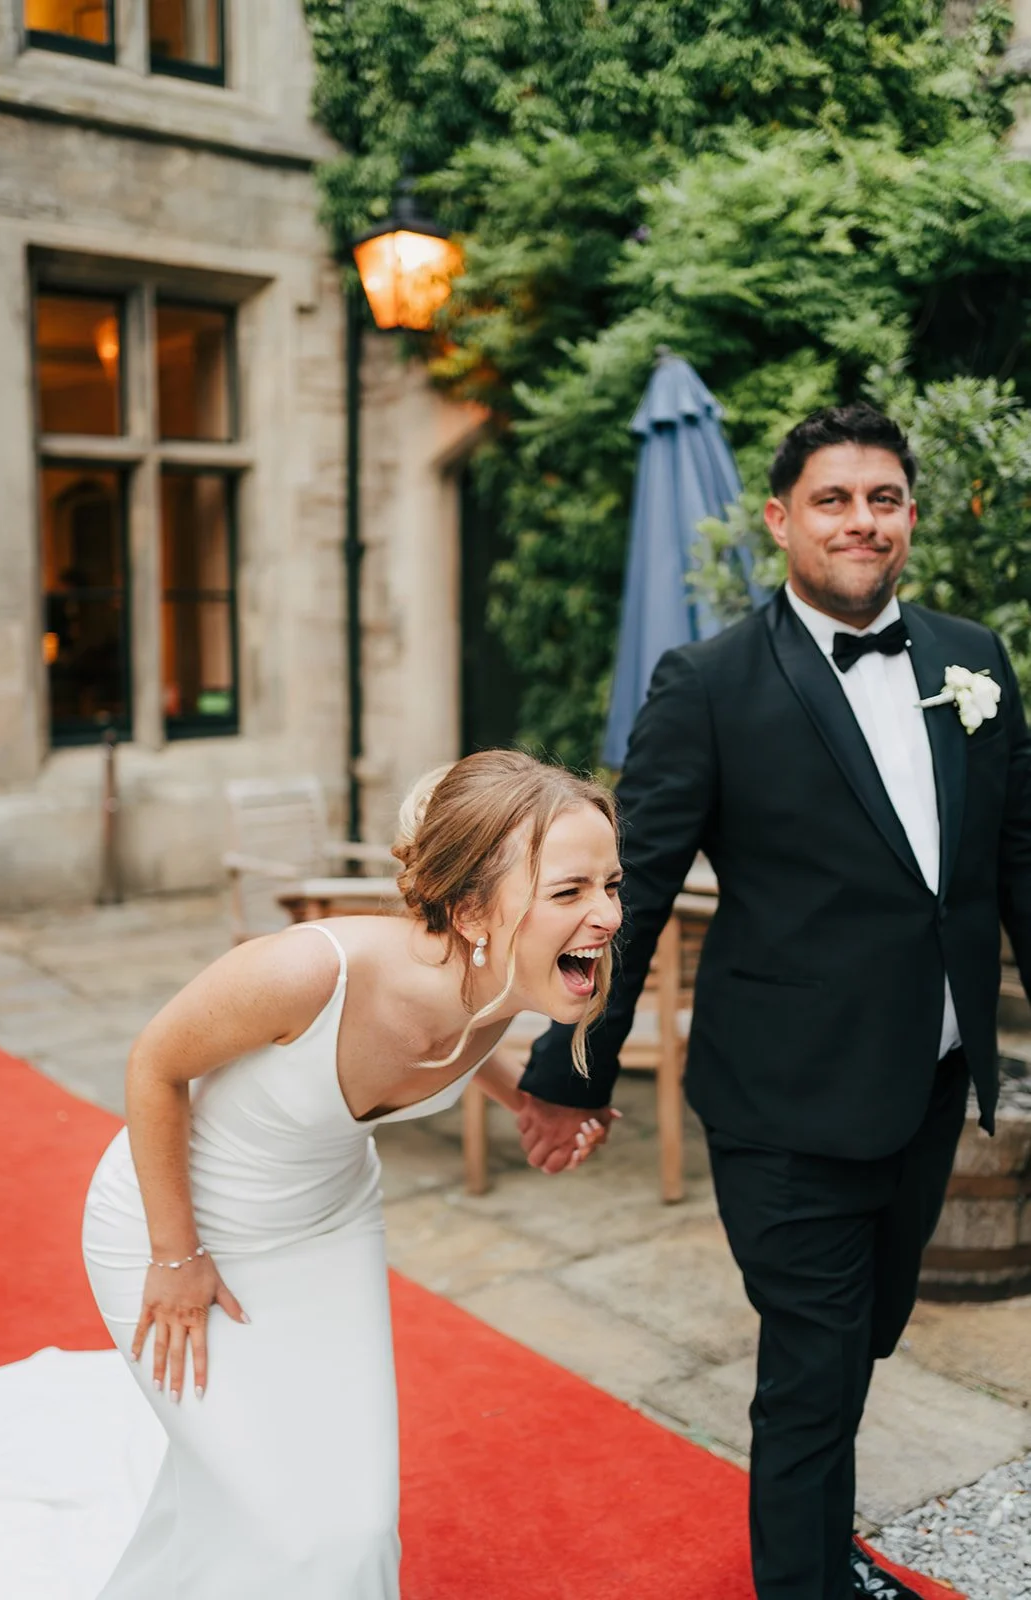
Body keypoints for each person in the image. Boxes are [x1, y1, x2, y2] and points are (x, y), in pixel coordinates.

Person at [517, 403, 1031, 1600]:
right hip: (782, 1099)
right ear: (778, 519)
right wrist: (568, 1068)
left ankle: (816, 1545)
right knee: (810, 1362)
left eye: (881, 498)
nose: (861, 520)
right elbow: (633, 892)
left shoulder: (972, 659)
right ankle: (804, 1579)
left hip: (928, 1081)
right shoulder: (706, 683)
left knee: (861, 1336)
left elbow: (1016, 860)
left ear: (909, 516)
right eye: (831, 499)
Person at [82, 749, 623, 1599]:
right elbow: (154, 1064)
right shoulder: (309, 972)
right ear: (472, 911)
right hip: (173, 1229)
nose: (607, 915)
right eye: (570, 892)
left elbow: (456, 1041)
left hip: (329, 1232)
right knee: (275, 1514)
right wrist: (174, 1255)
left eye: (611, 885)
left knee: (360, 1522)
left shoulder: (500, 982)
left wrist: (530, 1102)